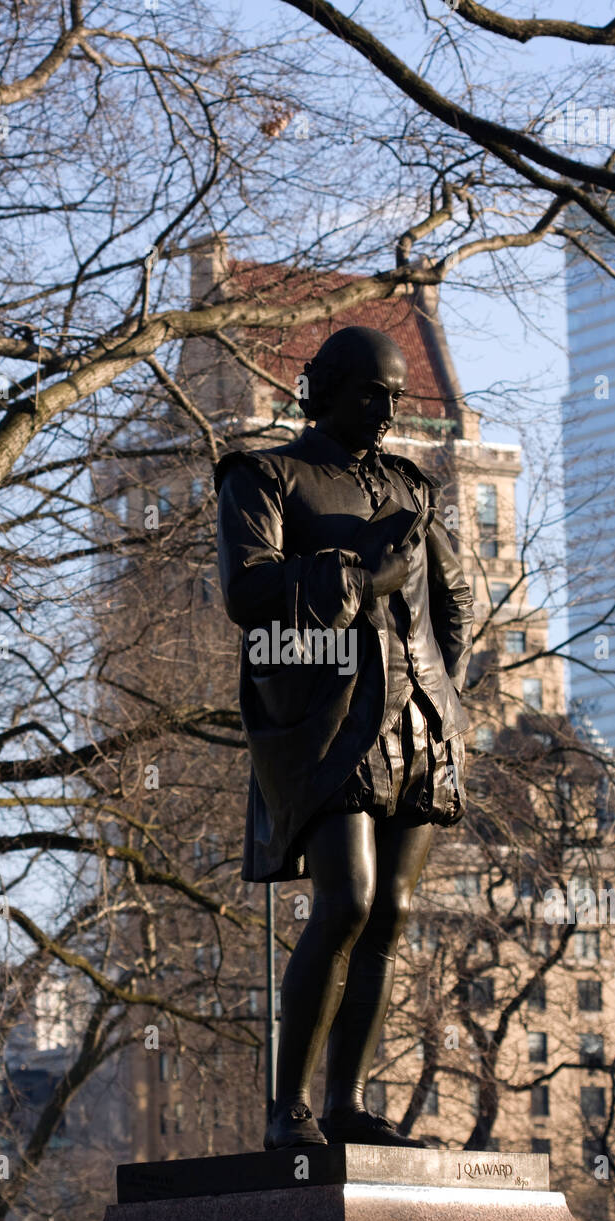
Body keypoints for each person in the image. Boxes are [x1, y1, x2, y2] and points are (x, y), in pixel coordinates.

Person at [215, 325, 474, 1149]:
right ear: (322, 391)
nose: (386, 410)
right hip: (329, 725)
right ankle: (288, 1111)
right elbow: (249, 592)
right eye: (370, 393)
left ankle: (350, 1105)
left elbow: (455, 597)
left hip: (417, 720)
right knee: (348, 901)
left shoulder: (410, 485)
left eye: (395, 398)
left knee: (391, 912)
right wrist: (362, 582)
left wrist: (447, 690)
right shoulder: (267, 476)